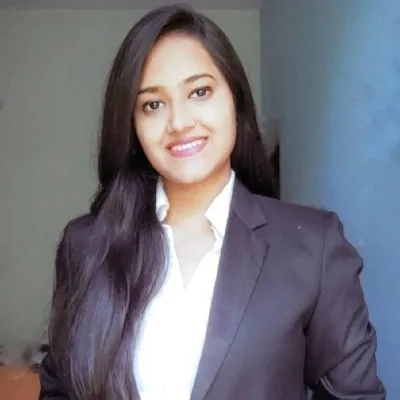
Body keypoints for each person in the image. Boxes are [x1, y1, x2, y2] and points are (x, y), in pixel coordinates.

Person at [39, 4, 385, 400]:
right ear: (132, 125)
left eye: (199, 92)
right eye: (153, 104)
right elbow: (58, 390)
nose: (179, 122)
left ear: (235, 100)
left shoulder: (313, 247)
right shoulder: (85, 246)